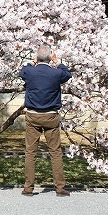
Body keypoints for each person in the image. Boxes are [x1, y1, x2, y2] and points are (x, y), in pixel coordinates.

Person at [19, 44, 72, 197]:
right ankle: (60, 188)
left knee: (30, 152)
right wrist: (57, 61)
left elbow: (22, 71)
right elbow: (67, 74)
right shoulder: (56, 74)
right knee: (55, 152)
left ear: (37, 57)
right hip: (51, 115)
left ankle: (28, 188)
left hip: (33, 116)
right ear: (50, 57)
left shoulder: (30, 71)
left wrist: (32, 61)